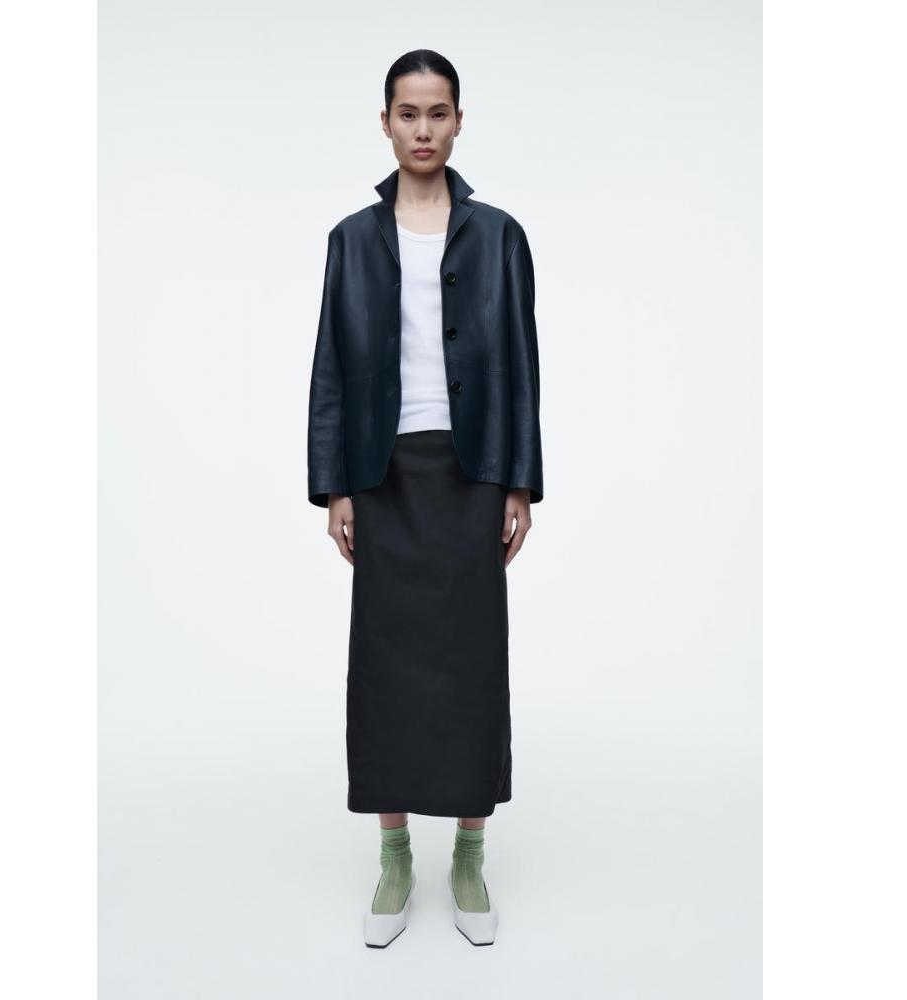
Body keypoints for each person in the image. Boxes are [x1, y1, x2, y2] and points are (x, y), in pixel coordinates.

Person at [306, 49, 543, 948]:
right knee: (385, 665)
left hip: (472, 471)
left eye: (438, 113)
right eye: (408, 114)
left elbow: (520, 364)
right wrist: (335, 485)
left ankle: (470, 854)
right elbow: (331, 366)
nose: (423, 130)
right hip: (383, 474)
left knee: (475, 661)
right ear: (385, 122)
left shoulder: (499, 236)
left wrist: (519, 480)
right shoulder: (350, 240)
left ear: (458, 121)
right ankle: (396, 854)